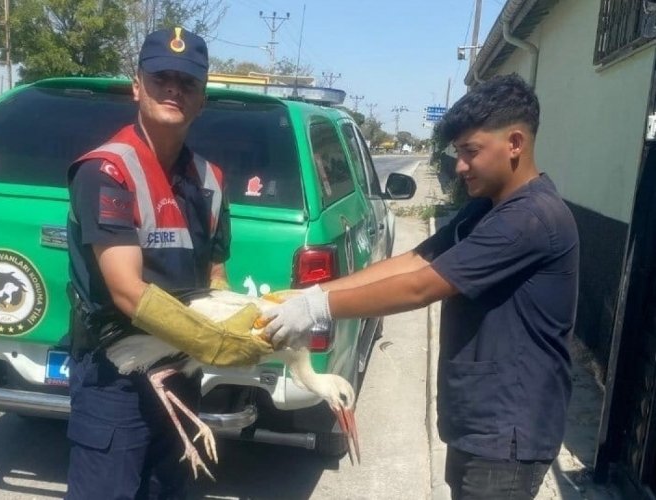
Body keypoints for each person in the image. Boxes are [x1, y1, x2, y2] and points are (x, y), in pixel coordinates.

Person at [264, 73, 579, 499]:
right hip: (478, 424)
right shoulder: (487, 210)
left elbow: (422, 287)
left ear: (516, 144)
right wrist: (314, 295)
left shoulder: (530, 219)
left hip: (508, 435)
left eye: (471, 152)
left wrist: (320, 309)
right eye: (457, 152)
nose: (460, 166)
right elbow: (415, 260)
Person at [65, 27, 271, 500]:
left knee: (169, 492)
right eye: (161, 78)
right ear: (137, 85)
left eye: (187, 82)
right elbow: (125, 291)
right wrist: (217, 344)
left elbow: (215, 277)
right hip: (115, 374)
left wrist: (251, 323)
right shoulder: (108, 171)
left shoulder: (211, 181)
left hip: (180, 371)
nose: (174, 89)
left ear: (202, 99)